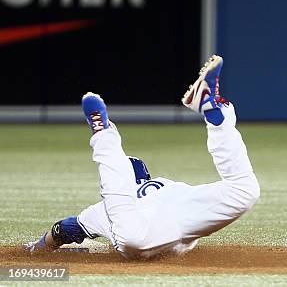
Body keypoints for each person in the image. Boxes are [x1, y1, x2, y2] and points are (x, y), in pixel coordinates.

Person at [24, 55, 260, 259]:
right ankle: (214, 113)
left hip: (143, 233)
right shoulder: (166, 185)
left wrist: (39, 247)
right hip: (184, 220)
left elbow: (64, 229)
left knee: (130, 235)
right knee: (244, 191)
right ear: (146, 175)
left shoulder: (105, 208)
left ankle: (104, 133)